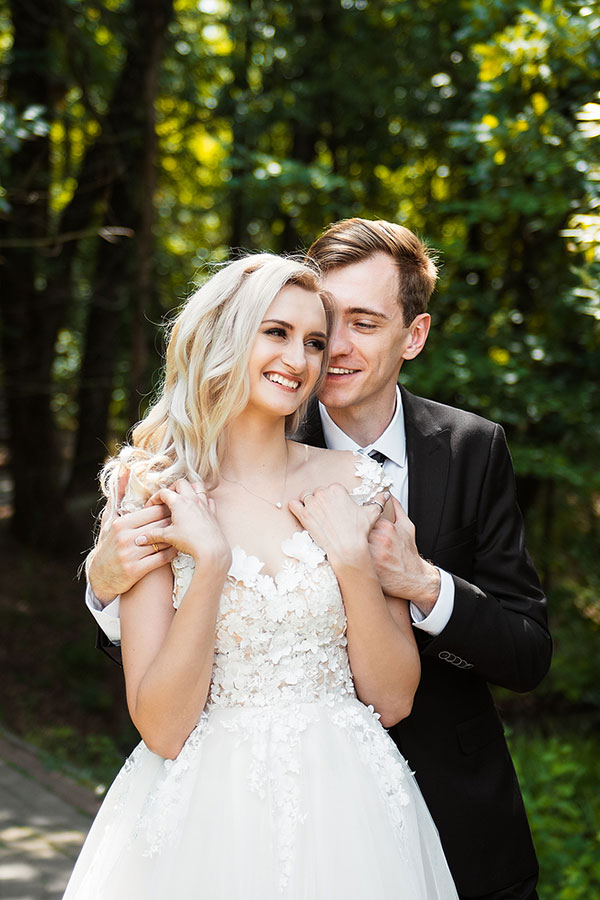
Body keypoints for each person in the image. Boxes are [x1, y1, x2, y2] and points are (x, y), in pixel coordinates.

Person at [87, 220, 552, 900]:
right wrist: (115, 585)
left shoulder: (442, 459)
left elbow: (517, 652)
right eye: (294, 330)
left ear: (412, 336)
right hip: (214, 814)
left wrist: (409, 579)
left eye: (354, 324)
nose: (322, 351)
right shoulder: (176, 478)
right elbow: (155, 688)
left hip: (396, 813)